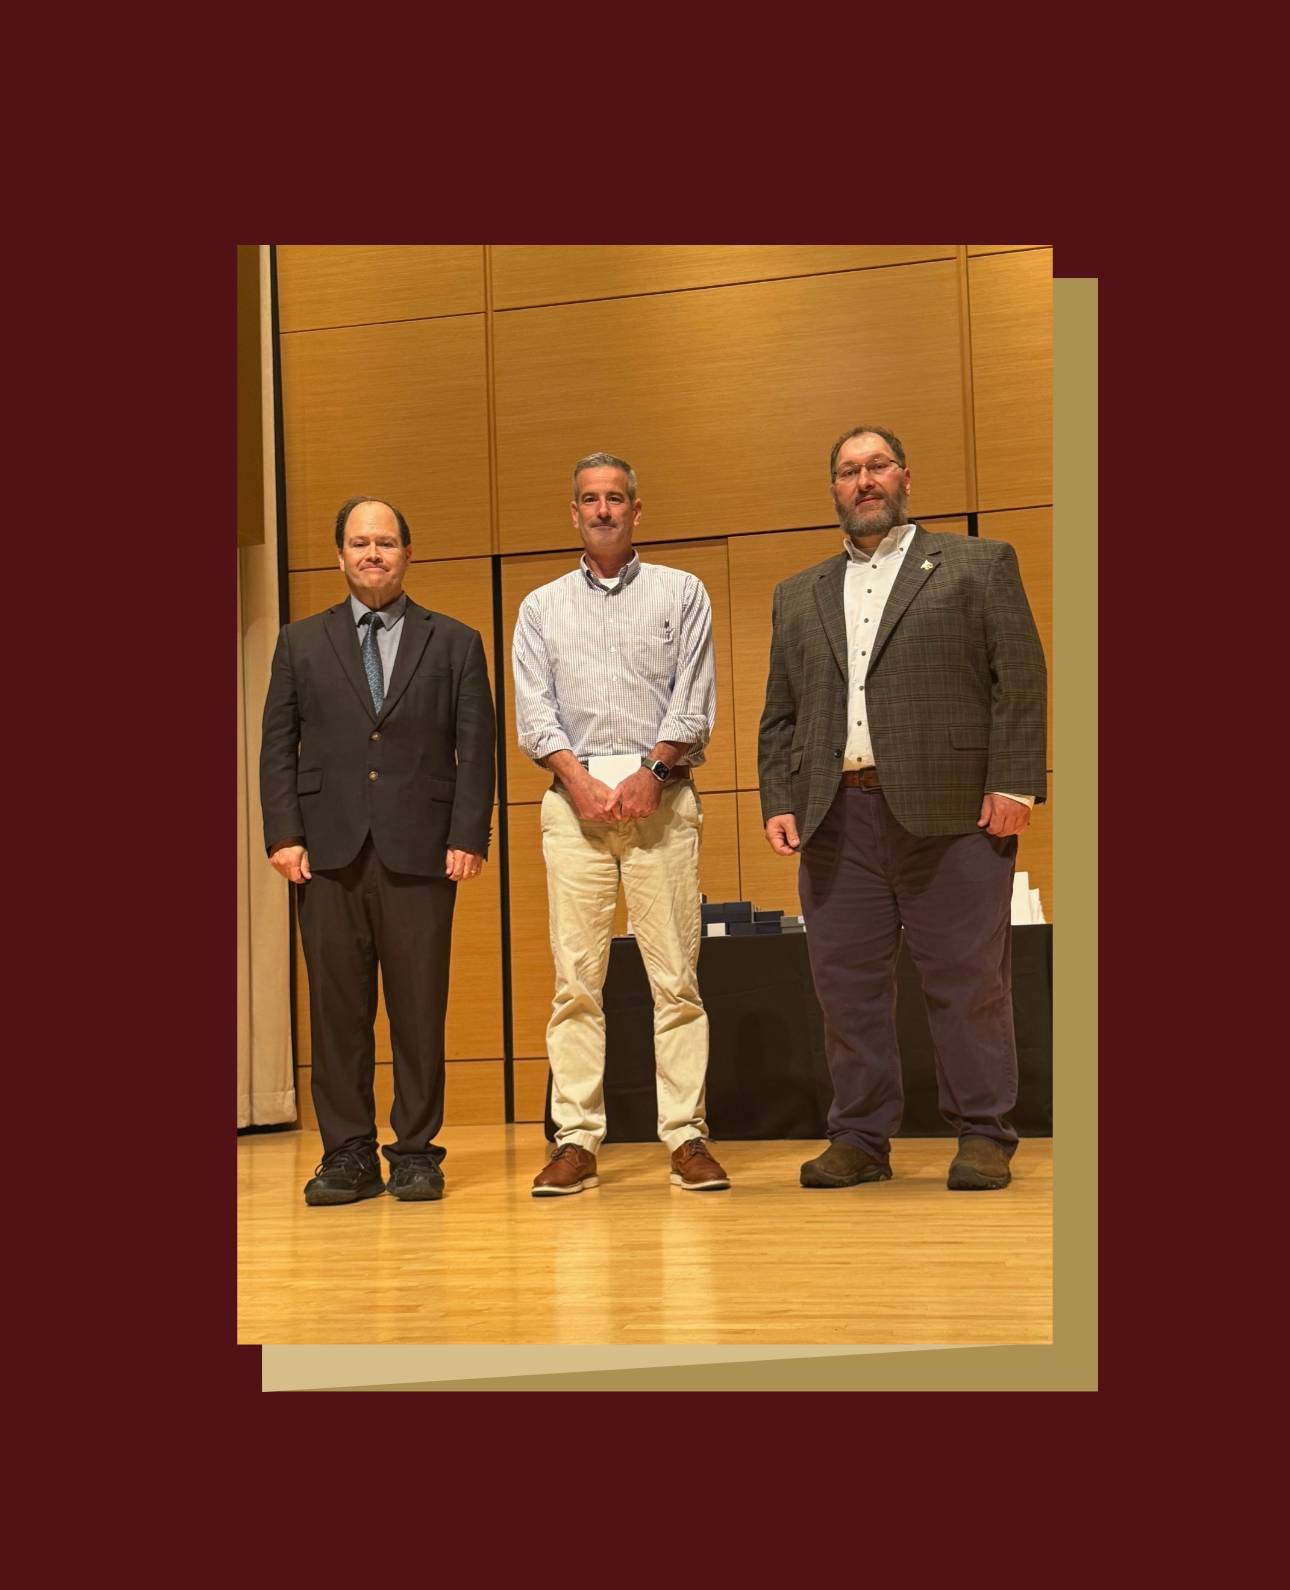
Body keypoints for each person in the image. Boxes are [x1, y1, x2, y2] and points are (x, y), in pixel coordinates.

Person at [758, 426, 1046, 1192]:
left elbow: (1017, 678)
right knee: (845, 985)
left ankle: (983, 1134)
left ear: (905, 476)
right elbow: (779, 714)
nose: (864, 480)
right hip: (835, 818)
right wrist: (779, 800)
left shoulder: (978, 565)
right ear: (834, 490)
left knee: (967, 980)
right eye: (848, 470)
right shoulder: (799, 594)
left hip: (954, 814)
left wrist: (1015, 785)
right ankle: (859, 1136)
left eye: (876, 466)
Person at [260, 496, 496, 1206]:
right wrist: (283, 833)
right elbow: (277, 746)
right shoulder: (299, 642)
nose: (373, 554)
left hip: (423, 851)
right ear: (339, 556)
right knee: (337, 1010)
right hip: (325, 852)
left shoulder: (453, 641)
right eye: (359, 543)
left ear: (407, 553)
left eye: (386, 542)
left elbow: (475, 748)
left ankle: (418, 1151)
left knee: (419, 1008)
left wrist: (466, 835)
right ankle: (348, 1154)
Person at [512, 452, 729, 1196]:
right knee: (575, 982)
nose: (602, 510)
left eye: (615, 499)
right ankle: (576, 1140)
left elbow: (695, 698)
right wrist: (577, 780)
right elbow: (534, 712)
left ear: (638, 510)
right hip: (572, 807)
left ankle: (687, 1136)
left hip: (661, 801)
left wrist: (652, 774)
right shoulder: (540, 607)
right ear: (572, 514)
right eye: (588, 500)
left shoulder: (683, 593)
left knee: (676, 979)